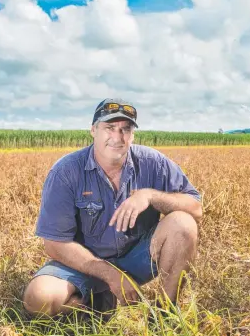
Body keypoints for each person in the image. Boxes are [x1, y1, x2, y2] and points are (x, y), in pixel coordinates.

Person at [22, 98, 202, 319]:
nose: (117, 137)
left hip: (136, 259)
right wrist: (111, 275)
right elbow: (55, 244)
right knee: (39, 299)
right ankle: (97, 305)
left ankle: (165, 313)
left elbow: (195, 208)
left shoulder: (153, 163)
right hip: (85, 263)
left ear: (132, 135)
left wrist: (150, 196)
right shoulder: (66, 172)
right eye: (109, 128)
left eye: (125, 129)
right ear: (93, 130)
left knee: (183, 223)